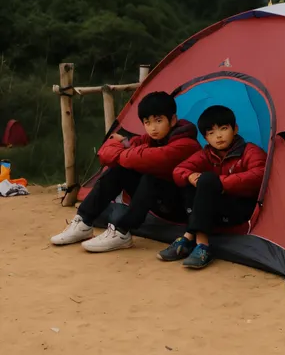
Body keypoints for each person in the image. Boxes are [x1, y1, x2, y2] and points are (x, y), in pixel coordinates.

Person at [50, 92, 201, 252]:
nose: (153, 128)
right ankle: (84, 222)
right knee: (119, 170)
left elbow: (154, 159)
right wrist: (127, 152)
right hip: (158, 202)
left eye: (158, 121)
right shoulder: (150, 140)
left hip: (181, 208)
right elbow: (105, 151)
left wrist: (125, 150)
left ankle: (122, 231)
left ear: (172, 120)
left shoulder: (186, 144)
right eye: (147, 122)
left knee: (151, 178)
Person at [159, 105, 267, 269]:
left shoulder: (250, 151)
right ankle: (192, 239)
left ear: (235, 129)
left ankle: (200, 244)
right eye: (211, 133)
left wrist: (219, 183)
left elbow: (259, 175)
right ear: (205, 138)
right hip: (215, 210)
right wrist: (190, 176)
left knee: (208, 179)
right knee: (192, 182)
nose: (218, 136)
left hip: (241, 209)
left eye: (223, 129)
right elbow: (179, 170)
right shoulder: (206, 154)